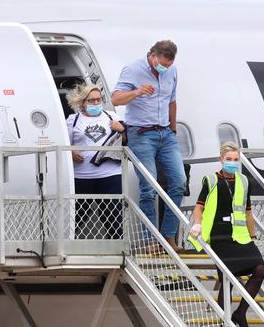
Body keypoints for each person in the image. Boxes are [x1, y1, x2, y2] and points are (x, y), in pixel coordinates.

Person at [111, 40, 186, 252]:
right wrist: (136, 93)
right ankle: (151, 240)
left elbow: (172, 100)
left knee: (179, 182)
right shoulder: (133, 69)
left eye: (168, 66)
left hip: (165, 133)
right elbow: (115, 99)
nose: (164, 69)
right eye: (161, 64)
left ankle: (169, 236)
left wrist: (172, 128)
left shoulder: (172, 72)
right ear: (152, 55)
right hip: (142, 133)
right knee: (149, 187)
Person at [189, 142, 264, 327]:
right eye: (228, 159)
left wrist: (253, 236)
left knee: (260, 270)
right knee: (227, 278)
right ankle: (225, 320)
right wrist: (197, 224)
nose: (232, 163)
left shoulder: (244, 181)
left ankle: (240, 313)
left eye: (235, 160)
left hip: (241, 236)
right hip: (219, 236)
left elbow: (248, 212)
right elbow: (199, 207)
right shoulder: (211, 180)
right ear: (221, 160)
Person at [66, 83, 125, 239]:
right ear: (82, 102)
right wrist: (71, 152)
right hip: (82, 176)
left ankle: (117, 246)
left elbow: (127, 140)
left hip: (110, 174)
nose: (96, 104)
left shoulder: (112, 117)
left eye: (98, 100)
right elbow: (64, 143)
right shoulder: (73, 120)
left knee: (111, 213)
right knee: (77, 214)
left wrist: (122, 129)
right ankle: (68, 244)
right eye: (91, 101)